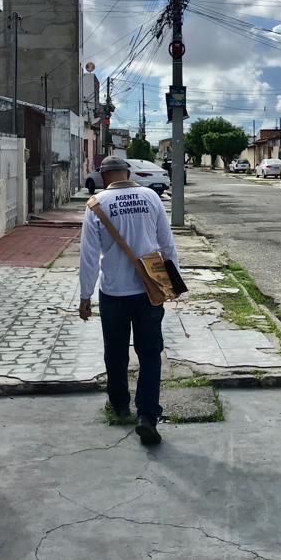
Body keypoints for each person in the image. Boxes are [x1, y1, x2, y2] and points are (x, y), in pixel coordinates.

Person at [79, 156, 179, 445]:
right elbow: (167, 243)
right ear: (127, 172)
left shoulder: (96, 204)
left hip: (113, 293)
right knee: (150, 353)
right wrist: (173, 284)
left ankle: (120, 404)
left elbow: (89, 256)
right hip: (149, 291)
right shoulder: (150, 197)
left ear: (104, 176)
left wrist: (85, 296)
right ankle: (147, 416)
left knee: (115, 351)